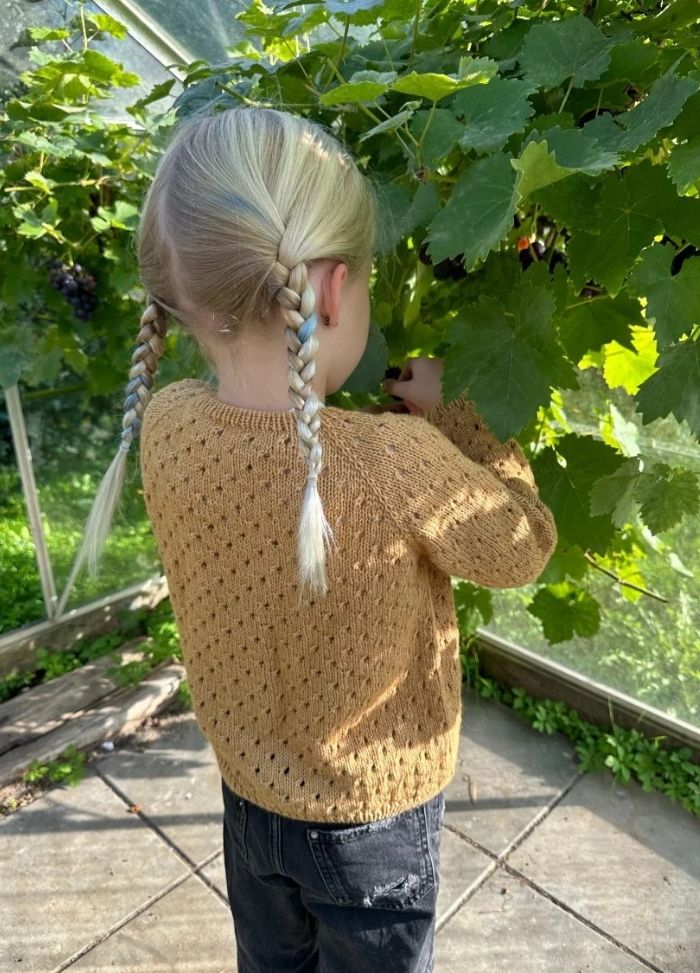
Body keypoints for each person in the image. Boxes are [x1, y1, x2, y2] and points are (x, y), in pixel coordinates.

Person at [68, 106, 558, 971]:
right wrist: (462, 411)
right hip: (375, 824)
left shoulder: (169, 425)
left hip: (249, 803)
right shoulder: (395, 458)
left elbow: (282, 480)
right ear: (333, 288)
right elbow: (522, 543)